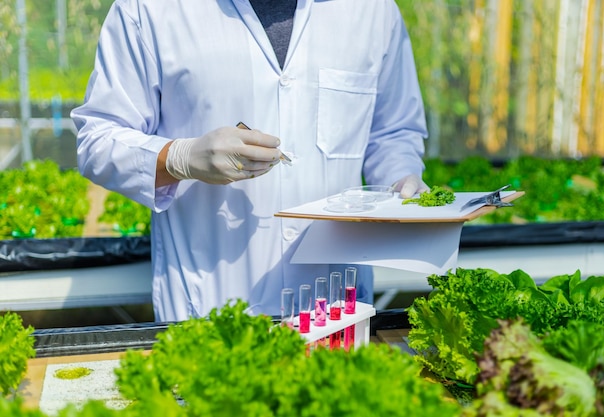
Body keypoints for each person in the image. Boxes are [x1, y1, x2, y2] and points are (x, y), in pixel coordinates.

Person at [71, 0, 429, 323]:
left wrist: (401, 176)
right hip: (208, 311)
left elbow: (393, 131)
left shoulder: (374, 11)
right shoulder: (148, 9)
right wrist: (181, 157)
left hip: (336, 313)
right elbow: (98, 138)